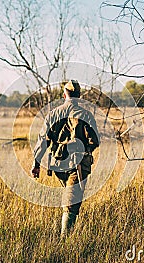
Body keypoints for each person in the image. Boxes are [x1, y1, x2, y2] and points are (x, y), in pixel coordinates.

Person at [31, 80, 99, 237]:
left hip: (58, 165)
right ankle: (64, 243)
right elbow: (95, 141)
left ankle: (65, 234)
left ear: (64, 95)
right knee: (71, 204)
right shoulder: (86, 115)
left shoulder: (53, 114)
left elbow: (42, 141)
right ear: (79, 96)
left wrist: (36, 164)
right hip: (78, 166)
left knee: (69, 199)